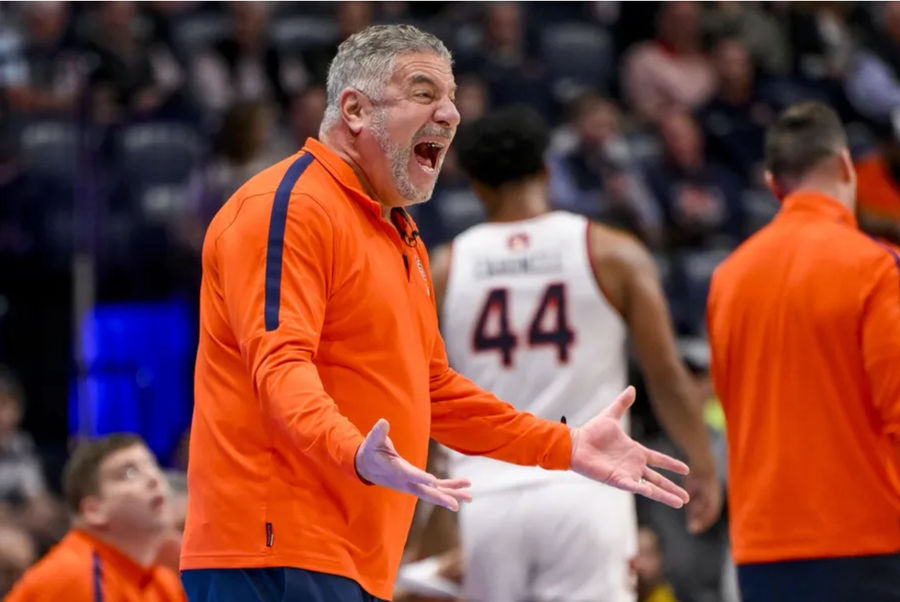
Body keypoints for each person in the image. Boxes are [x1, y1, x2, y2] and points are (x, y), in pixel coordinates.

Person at [180, 24, 691, 602]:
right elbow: (278, 364)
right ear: (354, 109)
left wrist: (564, 447)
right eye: (424, 94)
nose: (449, 114)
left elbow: (435, 392)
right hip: (273, 548)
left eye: (450, 99)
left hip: (353, 555)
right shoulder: (289, 205)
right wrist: (350, 449)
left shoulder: (401, 233)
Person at [430, 106, 719, 602]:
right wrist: (703, 468)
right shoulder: (612, 251)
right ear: (545, 171)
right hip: (586, 487)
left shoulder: (442, 268)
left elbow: (420, 390)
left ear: (475, 186)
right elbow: (665, 374)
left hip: (482, 495)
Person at [707, 101, 900, 601]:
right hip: (869, 544)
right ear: (844, 166)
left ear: (774, 186)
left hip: (762, 547)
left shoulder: (728, 278)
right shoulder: (877, 268)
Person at [6, 433, 185, 601]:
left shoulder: (163, 582)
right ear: (94, 512)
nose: (154, 479)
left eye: (153, 466)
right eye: (129, 473)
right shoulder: (76, 575)